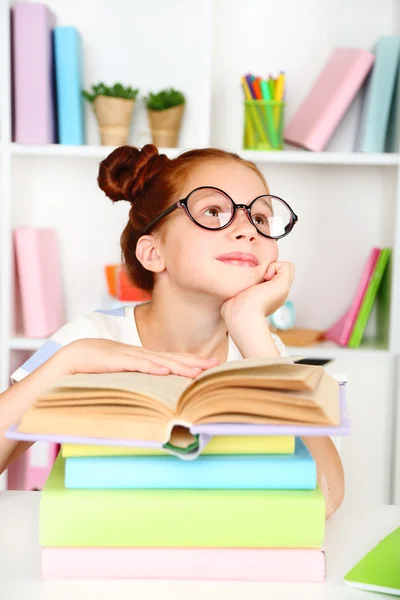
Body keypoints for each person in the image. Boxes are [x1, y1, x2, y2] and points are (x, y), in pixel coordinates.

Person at [0, 144, 344, 517]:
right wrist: (70, 362)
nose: (248, 231)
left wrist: (249, 323)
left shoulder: (261, 347)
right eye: (214, 212)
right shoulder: (88, 337)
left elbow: (327, 498)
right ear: (152, 253)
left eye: (260, 219)